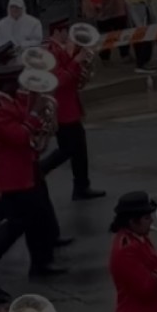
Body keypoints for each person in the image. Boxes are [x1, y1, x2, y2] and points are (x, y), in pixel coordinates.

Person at [0, 64, 61, 277]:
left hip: (22, 169)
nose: (21, 85)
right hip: (12, 174)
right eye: (17, 81)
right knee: (18, 223)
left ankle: (40, 263)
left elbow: (25, 118)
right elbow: (19, 136)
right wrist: (35, 113)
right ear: (6, 84)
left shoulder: (10, 100)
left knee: (33, 218)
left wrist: (38, 105)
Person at [39, 16, 105, 201]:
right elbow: (58, 80)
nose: (68, 36)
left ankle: (82, 186)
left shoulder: (61, 50)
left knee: (79, 149)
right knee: (68, 149)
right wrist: (76, 60)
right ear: (57, 32)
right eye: (65, 32)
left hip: (70, 106)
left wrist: (79, 62)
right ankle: (40, 169)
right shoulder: (51, 53)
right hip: (63, 109)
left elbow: (73, 77)